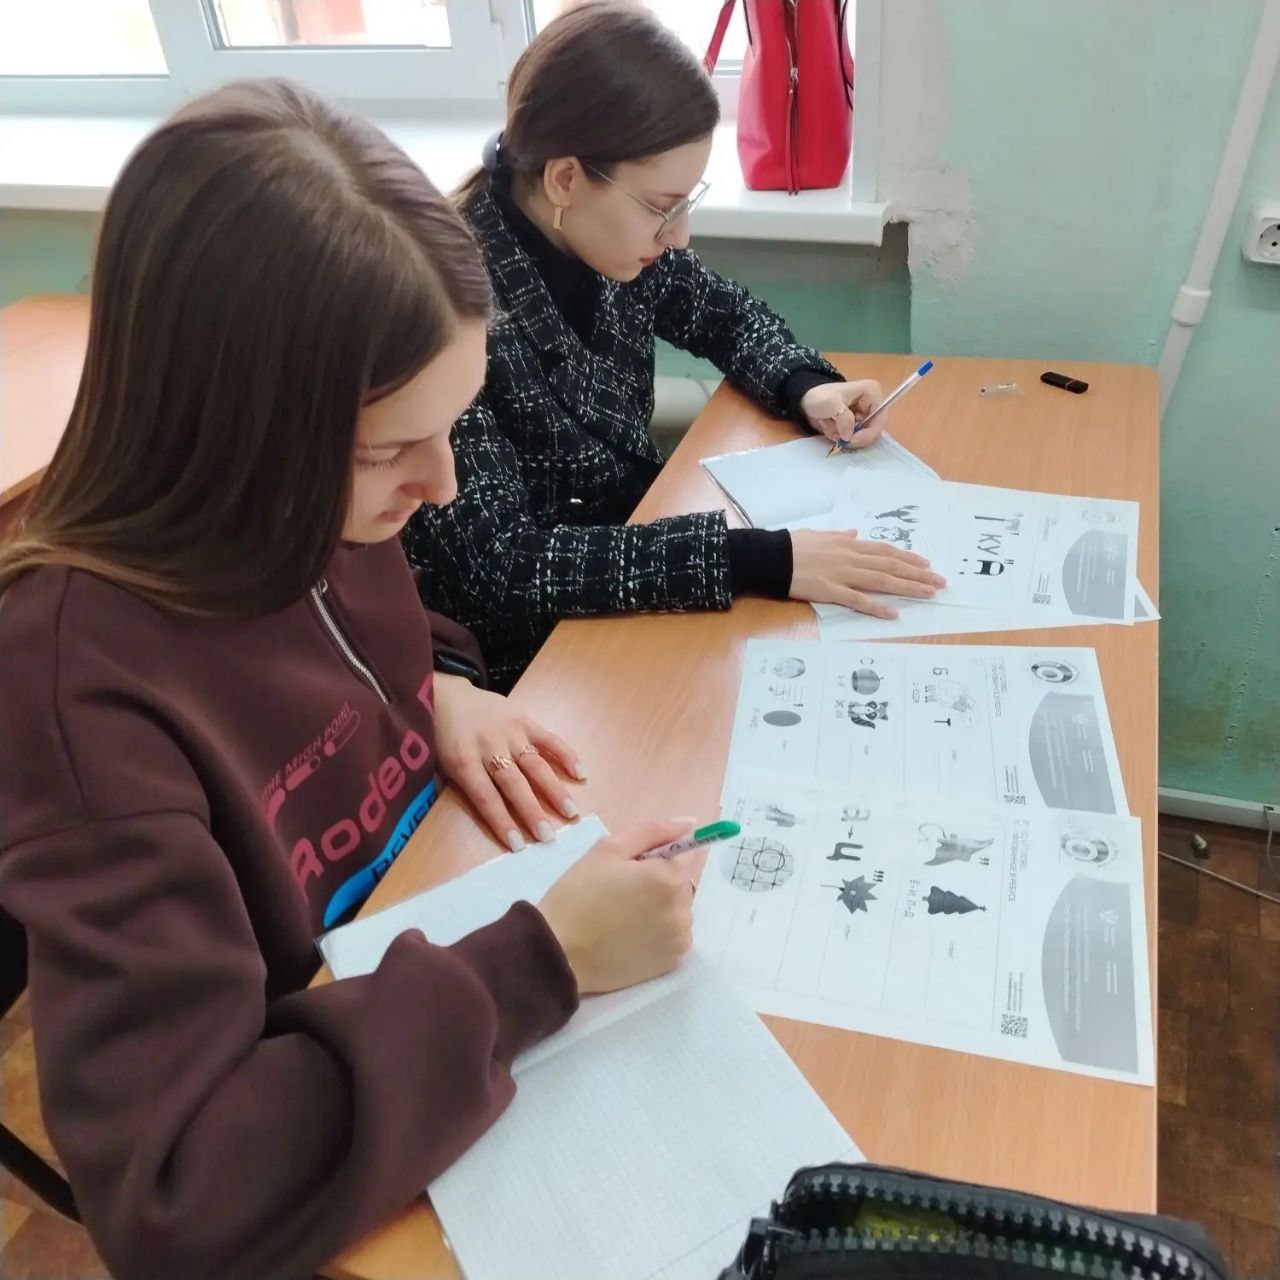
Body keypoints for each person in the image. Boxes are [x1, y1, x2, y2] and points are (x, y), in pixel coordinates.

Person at [0, 79, 703, 1280]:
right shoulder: (76, 692)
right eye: (388, 450)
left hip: (412, 954)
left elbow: (365, 634)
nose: (440, 488)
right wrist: (544, 959)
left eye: (449, 427)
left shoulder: (307, 507)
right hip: (343, 1111)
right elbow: (177, 1196)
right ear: (225, 430)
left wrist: (439, 685)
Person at [403, 1, 946, 691]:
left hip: (631, 593)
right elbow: (502, 568)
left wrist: (807, 386)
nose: (679, 236)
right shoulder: (446, 307)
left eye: (686, 203)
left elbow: (725, 315)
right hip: (538, 663)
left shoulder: (598, 237)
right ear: (565, 178)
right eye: (663, 207)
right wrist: (755, 560)